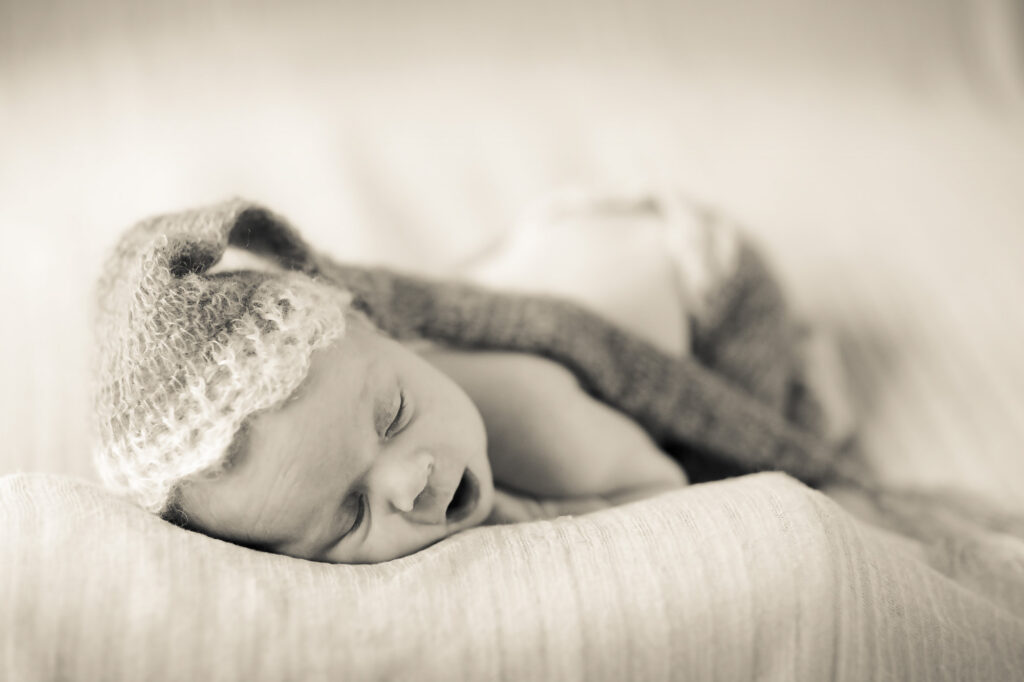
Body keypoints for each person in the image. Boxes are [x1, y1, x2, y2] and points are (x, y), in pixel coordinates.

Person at [91, 191, 854, 564]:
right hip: (572, 256)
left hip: (696, 279)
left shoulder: (541, 423)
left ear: (382, 332)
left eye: (393, 414)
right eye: (350, 518)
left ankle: (806, 369)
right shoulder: (367, 385)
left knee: (729, 453)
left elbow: (662, 502)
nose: (411, 481)